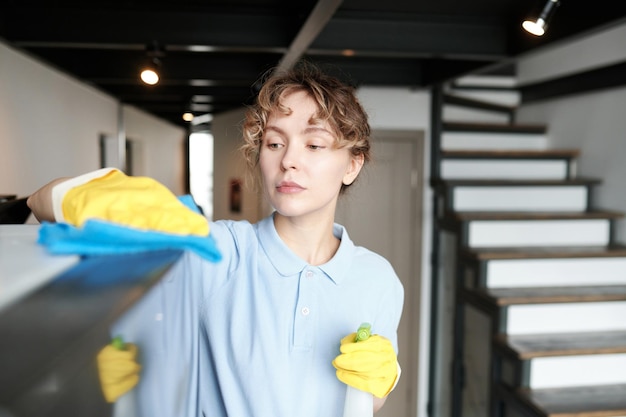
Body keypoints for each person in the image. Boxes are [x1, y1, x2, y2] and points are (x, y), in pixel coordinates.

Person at [27, 61, 404, 417]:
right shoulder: (218, 251)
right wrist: (112, 201)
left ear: (352, 165)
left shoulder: (378, 279)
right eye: (274, 143)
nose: (288, 160)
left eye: (314, 144)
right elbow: (41, 201)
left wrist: (382, 384)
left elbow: (365, 401)